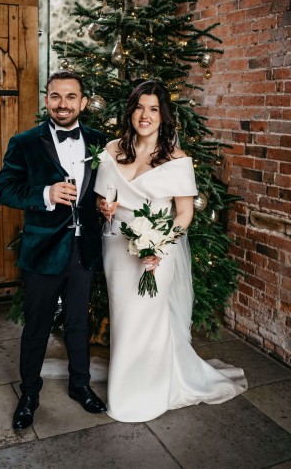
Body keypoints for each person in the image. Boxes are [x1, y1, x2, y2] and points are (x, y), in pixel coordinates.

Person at [94, 80, 247, 423]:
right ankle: (126, 382)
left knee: (146, 319)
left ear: (163, 116)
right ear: (130, 111)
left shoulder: (177, 160)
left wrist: (161, 244)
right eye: (139, 107)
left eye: (152, 109)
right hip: (116, 247)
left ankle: (143, 393)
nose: (144, 115)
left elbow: (185, 213)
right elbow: (104, 197)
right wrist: (105, 207)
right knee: (123, 319)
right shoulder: (112, 149)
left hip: (156, 253)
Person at [0, 70, 107, 430]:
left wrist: (107, 205)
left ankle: (80, 385)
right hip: (42, 250)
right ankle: (29, 393)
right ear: (47, 100)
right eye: (56, 96)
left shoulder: (99, 140)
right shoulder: (25, 141)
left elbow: (106, 187)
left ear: (83, 103)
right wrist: (45, 195)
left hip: (84, 250)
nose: (63, 104)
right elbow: (5, 188)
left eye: (71, 97)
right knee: (37, 326)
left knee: (78, 323)